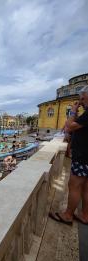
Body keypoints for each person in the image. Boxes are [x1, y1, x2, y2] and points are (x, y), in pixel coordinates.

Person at [50, 85, 88, 225]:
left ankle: (67, 216)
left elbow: (69, 126)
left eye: (81, 98)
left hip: (83, 156)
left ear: (85, 96)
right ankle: (85, 215)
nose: (80, 101)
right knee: (85, 187)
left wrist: (72, 112)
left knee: (74, 185)